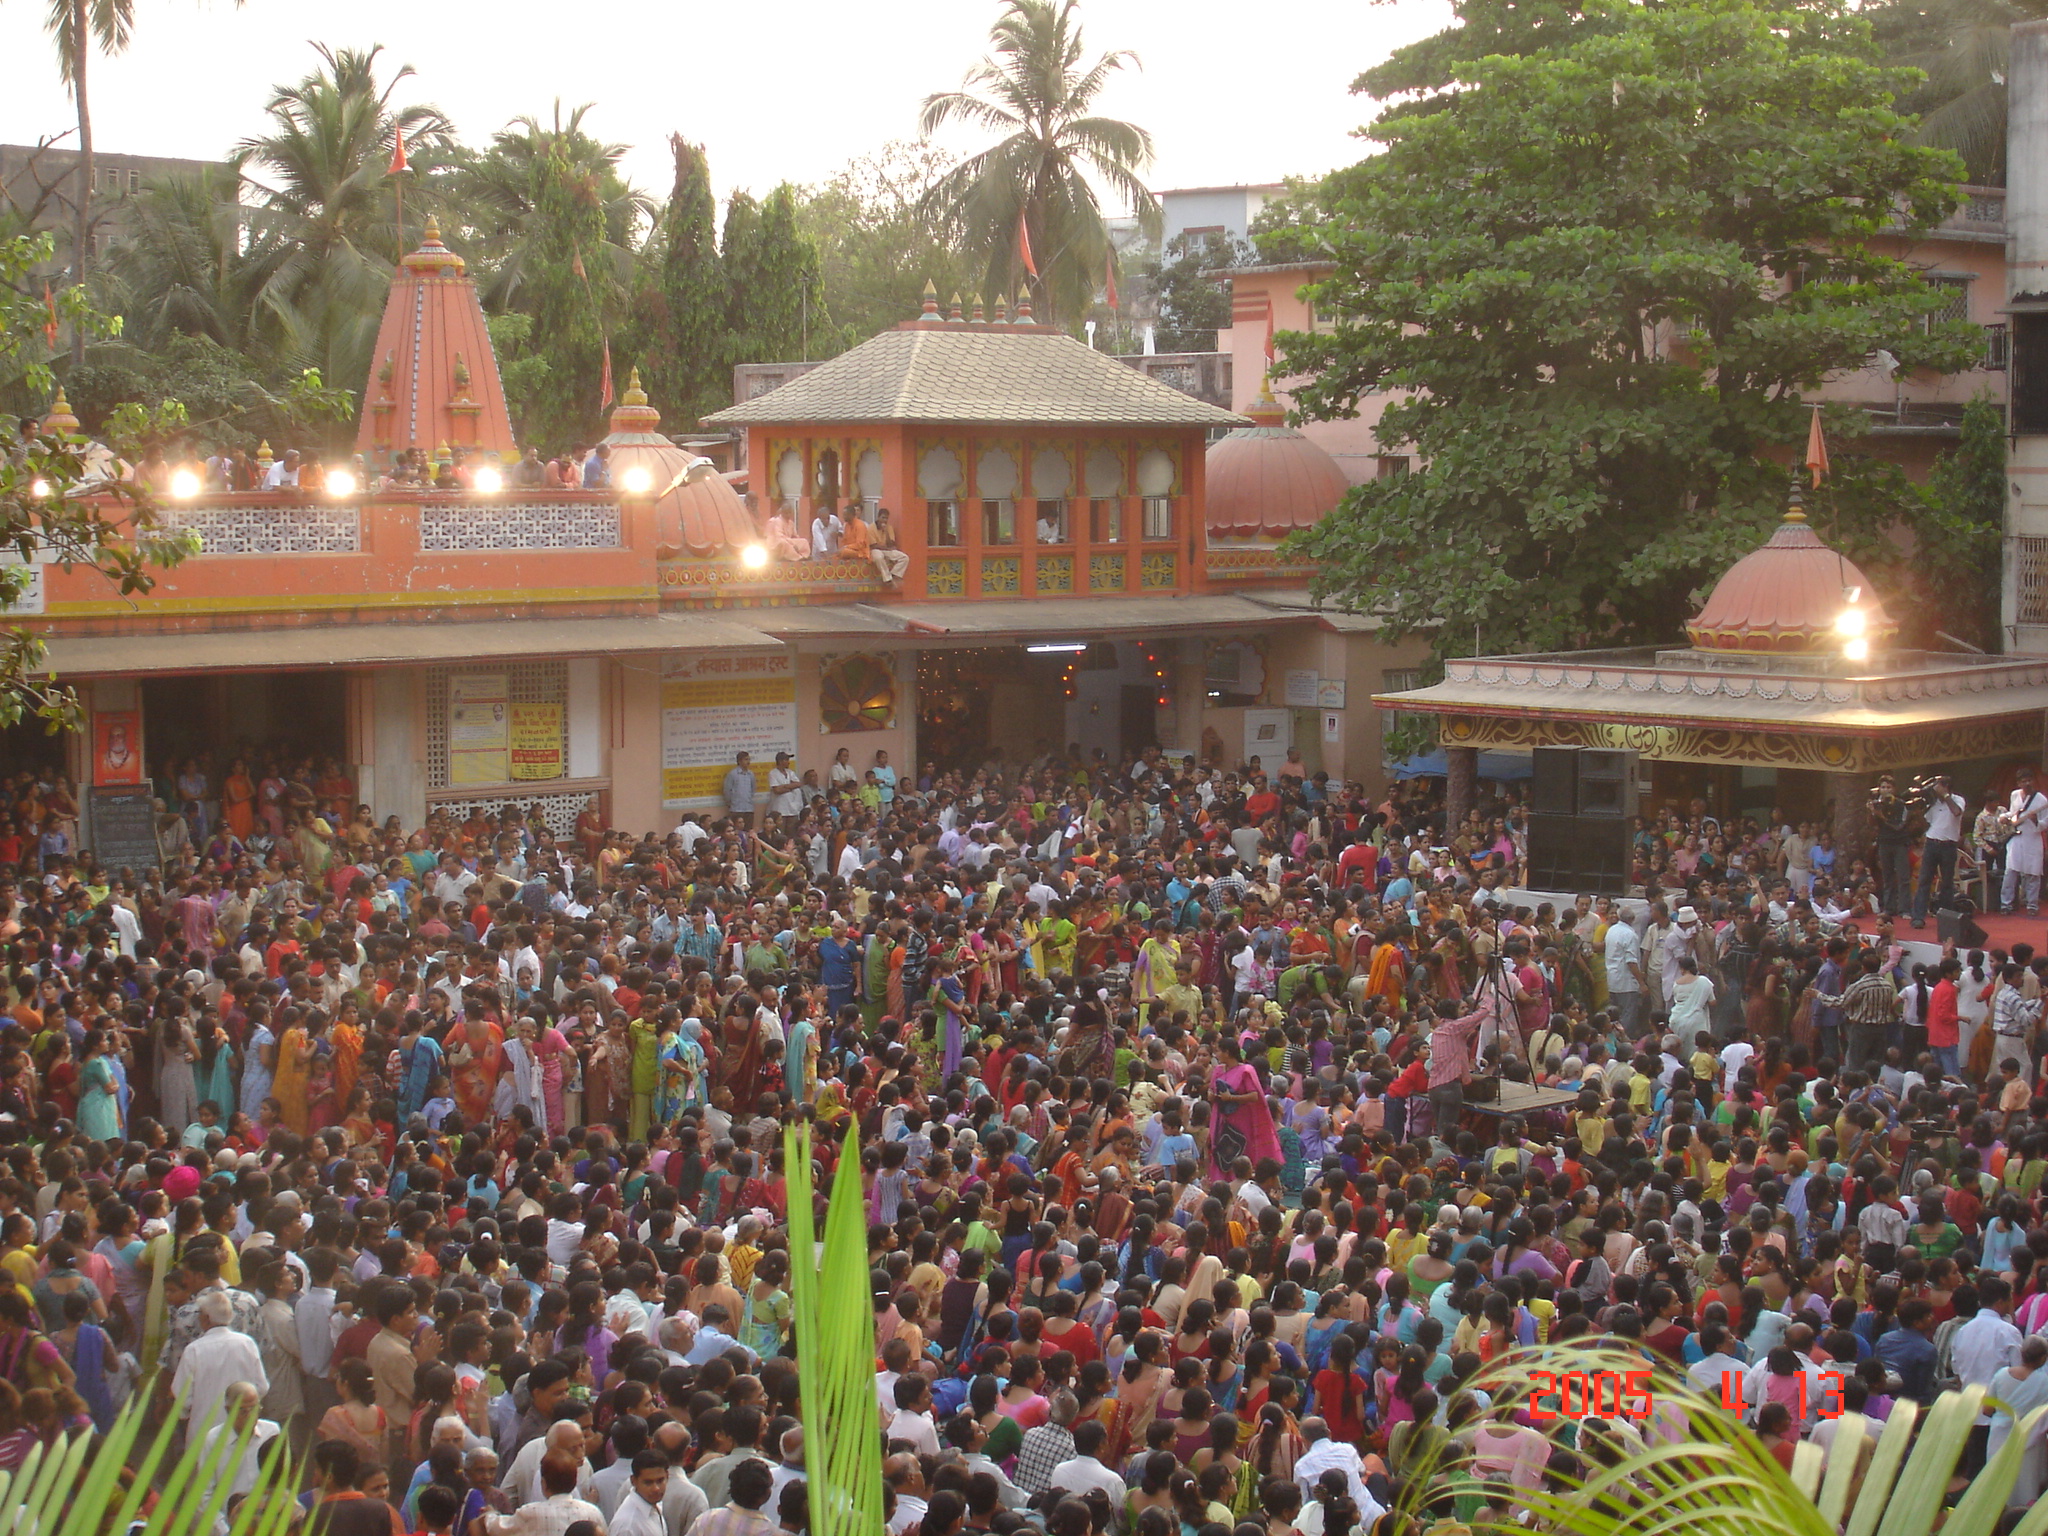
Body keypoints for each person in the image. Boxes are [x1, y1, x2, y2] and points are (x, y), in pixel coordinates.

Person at [1913, 773, 1968, 928]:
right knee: (1924, 880)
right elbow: (1927, 820)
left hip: (1949, 844)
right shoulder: (1933, 803)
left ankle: (1946, 917)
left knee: (1947, 882)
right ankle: (1918, 916)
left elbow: (1957, 812)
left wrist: (1945, 795)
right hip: (1932, 843)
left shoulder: (1957, 800)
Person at [2004, 767, 2048, 917]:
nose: (2027, 783)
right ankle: (2006, 904)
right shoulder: (2014, 795)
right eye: (2024, 781)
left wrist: (2036, 821)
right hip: (2016, 838)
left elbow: (2045, 822)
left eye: (2029, 780)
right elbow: (2013, 813)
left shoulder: (2041, 800)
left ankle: (2032, 905)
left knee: (2033, 873)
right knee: (2010, 871)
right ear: (2019, 783)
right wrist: (2004, 817)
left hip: (2032, 839)